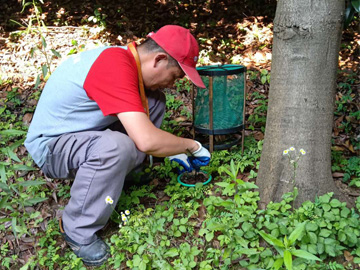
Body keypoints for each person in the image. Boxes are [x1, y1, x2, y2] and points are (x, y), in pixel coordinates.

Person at [24, 25, 211, 266]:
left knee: (153, 101)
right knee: (115, 147)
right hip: (51, 147)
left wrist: (168, 148)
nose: (173, 84)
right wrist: (190, 146)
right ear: (159, 59)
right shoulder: (114, 65)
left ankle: (121, 174)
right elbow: (145, 140)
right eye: (175, 76)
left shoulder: (125, 61)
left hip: (82, 132)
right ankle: (77, 229)